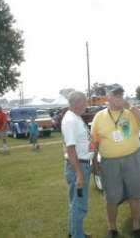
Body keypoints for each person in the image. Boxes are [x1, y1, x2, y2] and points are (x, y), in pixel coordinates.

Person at [91, 84, 140, 238]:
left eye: (121, 94)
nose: (119, 97)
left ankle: (136, 227)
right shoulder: (99, 116)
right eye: (115, 94)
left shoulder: (131, 111)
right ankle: (112, 228)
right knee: (111, 196)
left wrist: (131, 107)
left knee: (135, 193)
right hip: (109, 161)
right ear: (108, 97)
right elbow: (94, 141)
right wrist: (94, 160)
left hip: (133, 157)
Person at [61, 91, 95, 238]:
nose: (86, 105)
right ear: (74, 103)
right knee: (79, 206)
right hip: (78, 167)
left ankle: (75, 232)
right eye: (84, 102)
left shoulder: (75, 117)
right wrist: (79, 174)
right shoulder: (70, 120)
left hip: (81, 165)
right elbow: (70, 148)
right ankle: (77, 235)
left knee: (75, 203)